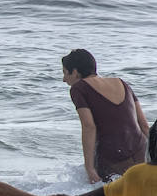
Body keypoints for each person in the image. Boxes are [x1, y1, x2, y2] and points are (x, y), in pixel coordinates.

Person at [60, 48, 148, 183]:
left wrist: (89, 168)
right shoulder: (122, 83)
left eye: (65, 73)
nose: (64, 79)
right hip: (141, 152)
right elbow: (143, 124)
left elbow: (89, 126)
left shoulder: (79, 88)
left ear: (76, 72)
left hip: (113, 158)